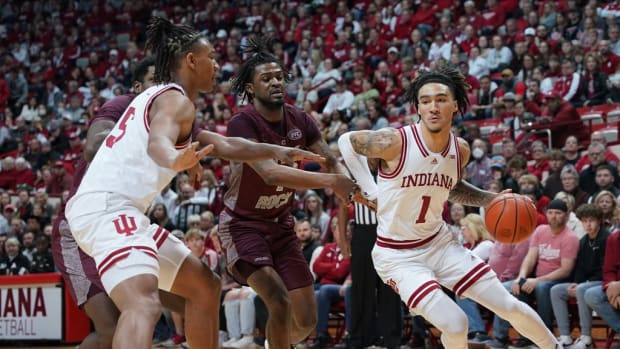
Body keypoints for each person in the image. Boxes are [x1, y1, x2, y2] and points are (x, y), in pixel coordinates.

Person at [64, 18, 330, 349]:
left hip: (123, 211)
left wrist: (279, 149)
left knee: (204, 286)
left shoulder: (167, 100)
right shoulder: (176, 100)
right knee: (143, 304)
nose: (217, 65)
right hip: (106, 209)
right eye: (212, 57)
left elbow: (226, 145)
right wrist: (174, 160)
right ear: (191, 61)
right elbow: (157, 142)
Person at [338, 68, 561, 349]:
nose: (433, 107)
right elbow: (347, 141)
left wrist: (489, 199)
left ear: (455, 104)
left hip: (440, 244)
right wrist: (371, 189)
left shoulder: (461, 150)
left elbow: (449, 185)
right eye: (426, 100)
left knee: (509, 306)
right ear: (417, 106)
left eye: (441, 99)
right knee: (456, 323)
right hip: (398, 256)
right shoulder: (395, 141)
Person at [220, 37, 356, 349]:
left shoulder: (301, 120)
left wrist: (349, 189)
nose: (276, 82)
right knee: (278, 301)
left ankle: (272, 343)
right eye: (266, 79)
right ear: (251, 88)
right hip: (244, 226)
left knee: (306, 321)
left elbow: (331, 163)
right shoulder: (242, 123)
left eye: (279, 76)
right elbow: (269, 171)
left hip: (282, 227)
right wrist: (329, 183)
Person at [488, 199, 580, 348]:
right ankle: (502, 338)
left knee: (542, 288)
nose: (554, 216)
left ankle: (545, 336)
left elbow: (565, 270)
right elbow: (530, 258)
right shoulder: (540, 230)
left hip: (558, 280)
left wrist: (536, 281)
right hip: (536, 279)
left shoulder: (570, 237)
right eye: (550, 213)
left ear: (566, 216)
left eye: (558, 213)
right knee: (506, 288)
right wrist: (521, 277)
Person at [550, 204, 609, 348]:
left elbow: (606, 268)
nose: (588, 224)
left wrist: (583, 283)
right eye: (584, 221)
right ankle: (565, 336)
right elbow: (580, 267)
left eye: (591, 220)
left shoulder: (607, 239)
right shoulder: (583, 241)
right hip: (586, 282)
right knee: (556, 290)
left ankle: (586, 337)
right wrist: (576, 282)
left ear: (599, 220)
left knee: (582, 289)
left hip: (603, 281)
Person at [584, 230, 620, 337]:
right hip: (616, 286)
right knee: (591, 295)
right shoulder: (614, 238)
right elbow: (608, 269)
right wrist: (611, 287)